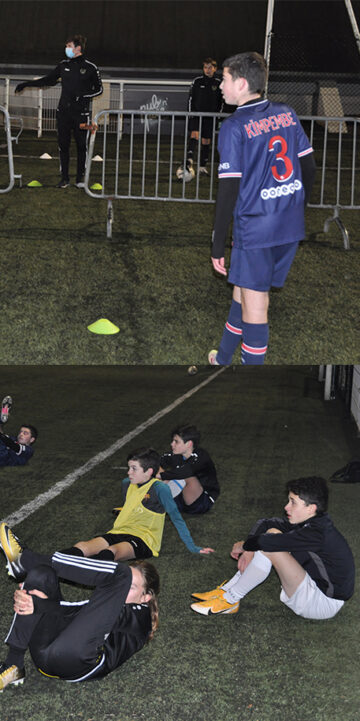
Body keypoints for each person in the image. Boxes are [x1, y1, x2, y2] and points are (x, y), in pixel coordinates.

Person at [208, 52, 315, 366]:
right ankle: (224, 357)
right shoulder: (287, 113)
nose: (221, 87)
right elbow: (308, 169)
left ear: (241, 84)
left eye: (224, 80)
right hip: (289, 224)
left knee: (256, 305)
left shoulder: (234, 127)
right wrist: (294, 208)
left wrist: (217, 244)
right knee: (242, 290)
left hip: (256, 229)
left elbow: (228, 191)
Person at [0, 525, 160, 690]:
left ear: (146, 597)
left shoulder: (141, 618)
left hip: (79, 662)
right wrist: (38, 603)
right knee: (42, 575)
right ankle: (14, 663)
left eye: (131, 587)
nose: (123, 590)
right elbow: (83, 612)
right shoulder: (112, 606)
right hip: (45, 655)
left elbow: (83, 612)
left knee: (121, 574)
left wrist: (41, 605)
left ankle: (27, 560)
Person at [191, 476, 354, 617]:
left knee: (270, 543)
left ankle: (231, 599)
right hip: (314, 586)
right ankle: (226, 591)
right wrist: (249, 548)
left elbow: (266, 543)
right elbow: (266, 522)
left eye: (293, 502)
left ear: (311, 508)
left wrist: (244, 546)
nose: (286, 507)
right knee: (271, 532)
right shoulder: (312, 521)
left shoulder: (317, 533)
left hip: (323, 603)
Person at [58, 448, 214, 560]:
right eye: (129, 467)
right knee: (83, 547)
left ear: (149, 472)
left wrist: (193, 547)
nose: (128, 472)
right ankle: (50, 564)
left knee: (110, 552)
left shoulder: (160, 489)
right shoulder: (127, 483)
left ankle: (90, 574)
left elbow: (176, 517)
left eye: (134, 468)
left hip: (145, 539)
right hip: (118, 532)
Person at [14, 34, 103, 188]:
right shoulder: (63, 65)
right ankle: (65, 178)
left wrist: (83, 96)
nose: (66, 49)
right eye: (67, 46)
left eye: (69, 46)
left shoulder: (90, 67)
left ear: (78, 48)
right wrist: (26, 84)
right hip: (63, 113)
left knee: (82, 145)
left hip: (81, 115)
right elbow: (48, 80)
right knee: (63, 145)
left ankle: (80, 178)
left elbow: (99, 89)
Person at [158, 424, 219, 515]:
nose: (172, 444)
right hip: (181, 498)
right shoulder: (175, 455)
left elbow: (186, 472)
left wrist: (161, 476)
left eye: (176, 442)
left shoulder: (201, 456)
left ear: (189, 444)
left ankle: (163, 501)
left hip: (201, 501)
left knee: (185, 475)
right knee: (153, 466)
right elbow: (155, 462)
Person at [184, 58, 227, 174]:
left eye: (210, 67)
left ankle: (202, 166)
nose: (207, 70)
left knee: (206, 141)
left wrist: (218, 116)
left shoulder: (219, 83)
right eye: (205, 67)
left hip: (210, 117)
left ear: (215, 69)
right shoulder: (197, 81)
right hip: (196, 115)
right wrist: (190, 114)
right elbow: (191, 99)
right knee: (194, 135)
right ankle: (189, 161)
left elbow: (222, 101)